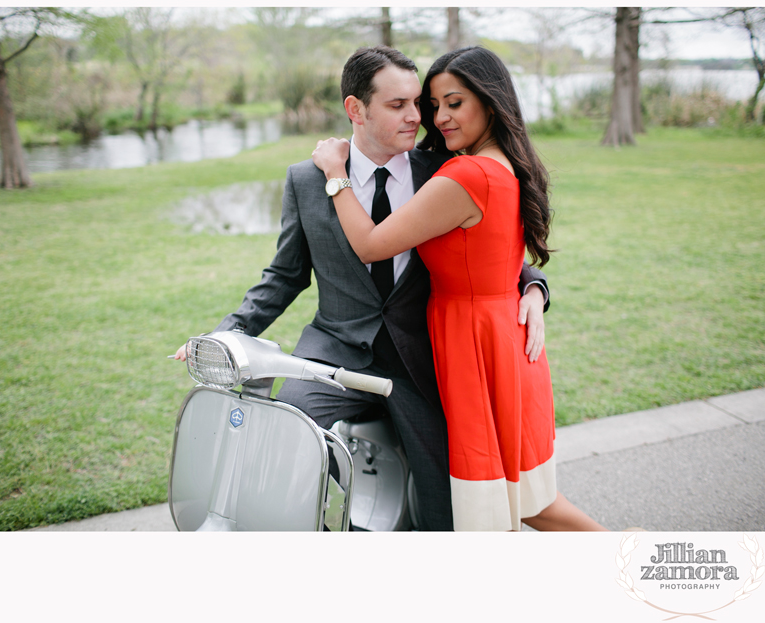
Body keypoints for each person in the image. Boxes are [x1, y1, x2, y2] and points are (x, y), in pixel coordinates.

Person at [174, 46, 550, 532]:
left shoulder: (441, 170)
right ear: (356, 109)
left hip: (425, 359)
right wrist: (226, 333)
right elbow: (285, 275)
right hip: (334, 351)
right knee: (283, 436)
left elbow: (492, 251)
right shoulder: (307, 180)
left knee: (448, 496)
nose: (418, 117)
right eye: (399, 105)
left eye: (419, 103)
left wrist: (534, 289)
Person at [312, 46, 605, 532]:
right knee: (520, 498)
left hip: (476, 347)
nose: (439, 117)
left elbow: (370, 245)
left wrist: (335, 174)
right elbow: (500, 255)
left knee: (496, 499)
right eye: (435, 105)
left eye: (455, 103)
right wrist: (531, 290)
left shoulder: (467, 174)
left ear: (490, 103)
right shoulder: (499, 162)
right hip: (493, 337)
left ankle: (630, 557)